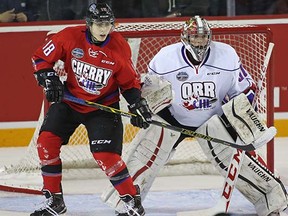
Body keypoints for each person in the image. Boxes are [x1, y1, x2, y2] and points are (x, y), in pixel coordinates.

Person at [103, 16, 288, 216]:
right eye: (195, 37)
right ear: (185, 37)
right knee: (144, 156)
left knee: (240, 162)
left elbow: (245, 89)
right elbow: (149, 91)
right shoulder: (166, 57)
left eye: (203, 37)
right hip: (171, 119)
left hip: (212, 121)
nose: (199, 42)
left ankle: (272, 201)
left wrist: (240, 113)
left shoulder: (227, 55)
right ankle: (126, 202)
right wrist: (142, 109)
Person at [30, 2, 151, 216]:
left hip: (103, 107)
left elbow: (129, 82)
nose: (104, 29)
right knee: (46, 143)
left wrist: (137, 104)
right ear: (89, 23)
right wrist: (48, 77)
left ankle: (132, 200)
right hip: (69, 101)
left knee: (106, 156)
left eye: (108, 24)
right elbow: (40, 58)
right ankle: (54, 200)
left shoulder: (119, 46)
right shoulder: (69, 36)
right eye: (99, 24)